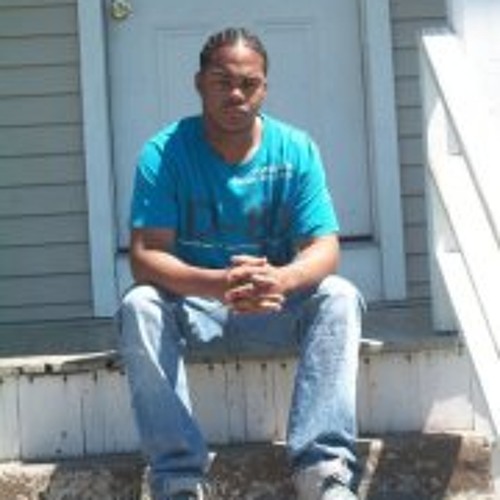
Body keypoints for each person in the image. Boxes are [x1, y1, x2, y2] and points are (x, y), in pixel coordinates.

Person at [119, 27, 363, 500]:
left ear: (264, 88)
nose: (236, 94)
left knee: (340, 295)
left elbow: (325, 247)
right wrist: (218, 284)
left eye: (249, 83)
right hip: (196, 305)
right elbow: (145, 255)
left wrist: (282, 278)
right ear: (199, 84)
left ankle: (323, 473)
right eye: (222, 82)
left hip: (274, 303)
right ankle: (178, 479)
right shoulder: (164, 152)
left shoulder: (295, 149)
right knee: (140, 305)